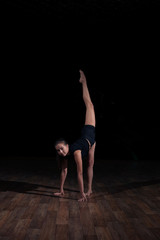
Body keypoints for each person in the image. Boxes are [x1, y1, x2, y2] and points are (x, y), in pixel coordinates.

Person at [54, 70, 96, 202]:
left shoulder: (76, 152)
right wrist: (61, 190)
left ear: (67, 145)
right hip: (90, 143)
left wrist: (81, 193)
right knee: (90, 163)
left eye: (62, 148)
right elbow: (64, 172)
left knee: (90, 105)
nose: (61, 151)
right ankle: (88, 189)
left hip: (88, 134)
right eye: (58, 150)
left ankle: (84, 82)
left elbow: (79, 173)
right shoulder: (65, 157)